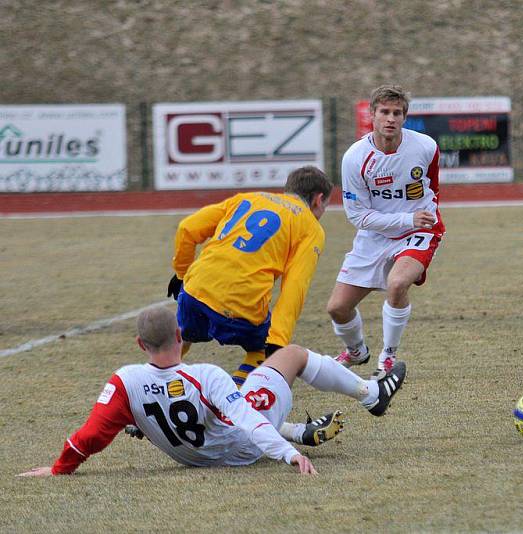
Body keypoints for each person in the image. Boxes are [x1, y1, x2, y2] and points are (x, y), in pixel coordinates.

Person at [17, 306, 407, 477]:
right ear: (180, 336)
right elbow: (247, 420)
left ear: (140, 345)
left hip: (194, 459)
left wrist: (59, 469)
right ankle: (370, 393)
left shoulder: (124, 382)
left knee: (237, 396)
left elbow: (90, 437)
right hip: (241, 448)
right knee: (291, 356)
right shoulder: (205, 374)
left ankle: (296, 430)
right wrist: (288, 456)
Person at [167, 166, 332, 387]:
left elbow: (187, 228)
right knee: (262, 348)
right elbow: (295, 286)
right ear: (318, 200)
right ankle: (233, 404)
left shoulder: (248, 197)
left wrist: (181, 273)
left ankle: (153, 392)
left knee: (183, 336)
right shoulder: (311, 228)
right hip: (239, 301)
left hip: (194, 289)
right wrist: (278, 340)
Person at [327, 85, 445, 379]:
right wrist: (407, 219)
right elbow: (358, 215)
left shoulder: (425, 147)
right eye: (385, 112)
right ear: (372, 115)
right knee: (337, 308)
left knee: (397, 284)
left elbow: (432, 187)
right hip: (377, 235)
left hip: (419, 232)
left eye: (397, 113)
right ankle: (357, 352)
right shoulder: (355, 158)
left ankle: (388, 356)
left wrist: (423, 219)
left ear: (405, 117)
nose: (391, 119)